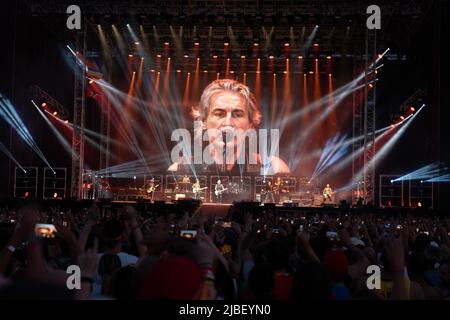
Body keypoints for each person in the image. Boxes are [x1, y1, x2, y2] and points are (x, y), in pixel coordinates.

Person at [169, 79, 290, 175]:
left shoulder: (274, 169)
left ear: (250, 125)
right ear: (203, 120)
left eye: (237, 114)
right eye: (219, 114)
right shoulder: (179, 170)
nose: (228, 122)